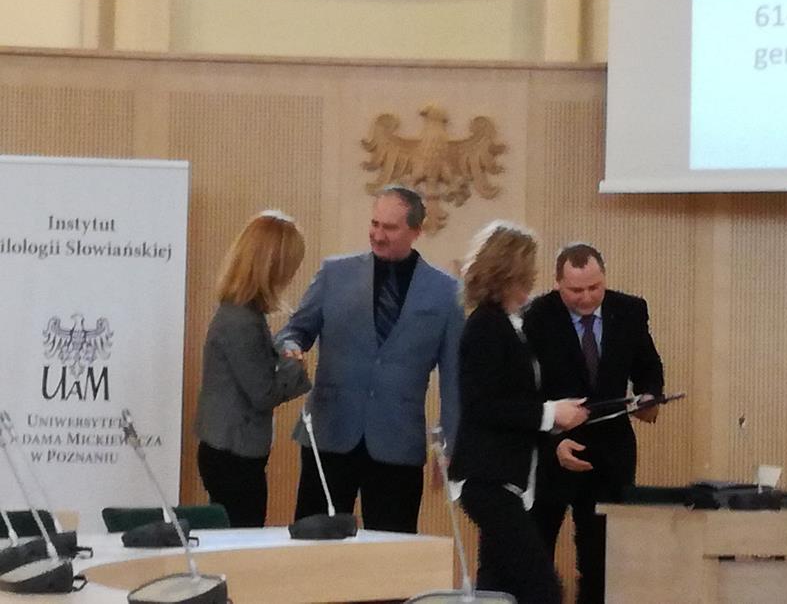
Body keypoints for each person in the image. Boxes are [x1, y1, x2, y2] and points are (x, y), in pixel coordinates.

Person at [277, 185, 463, 533]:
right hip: (330, 433)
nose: (377, 235)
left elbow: (455, 378)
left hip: (397, 443)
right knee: (314, 543)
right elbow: (295, 330)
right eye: (374, 224)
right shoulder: (334, 273)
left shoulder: (447, 292)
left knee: (393, 550)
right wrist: (290, 347)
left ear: (416, 231)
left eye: (389, 228)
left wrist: (450, 444)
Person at [449, 221, 588, 604]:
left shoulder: (510, 325)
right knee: (542, 588)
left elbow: (514, 397)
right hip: (487, 478)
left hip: (508, 477)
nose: (532, 278)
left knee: (497, 587)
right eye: (526, 270)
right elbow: (483, 405)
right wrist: (550, 414)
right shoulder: (486, 327)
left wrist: (557, 419)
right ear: (508, 273)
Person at [523, 242, 664, 604]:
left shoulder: (629, 310)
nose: (586, 298)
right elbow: (524, 393)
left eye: (594, 287)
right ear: (557, 283)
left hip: (610, 453)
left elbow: (648, 367)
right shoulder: (536, 316)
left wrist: (650, 396)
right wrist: (553, 443)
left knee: (601, 562)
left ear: (604, 279)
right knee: (535, 556)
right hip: (551, 450)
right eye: (575, 290)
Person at [194, 210, 312, 528]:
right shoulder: (241, 321)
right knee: (243, 537)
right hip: (233, 452)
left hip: (230, 448)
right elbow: (262, 394)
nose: (291, 276)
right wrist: (292, 364)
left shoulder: (242, 312)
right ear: (272, 267)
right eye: (290, 267)